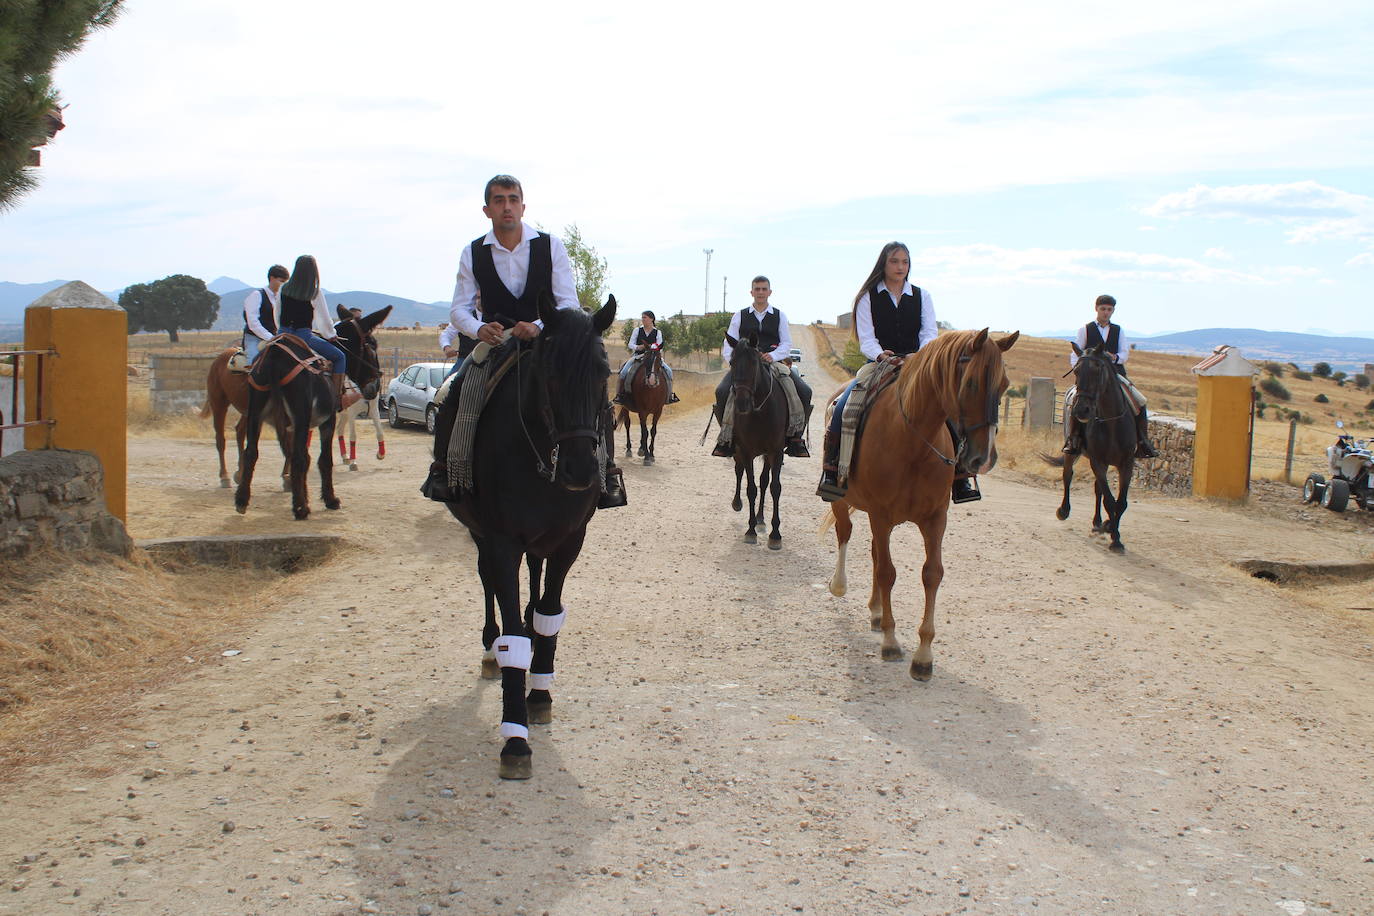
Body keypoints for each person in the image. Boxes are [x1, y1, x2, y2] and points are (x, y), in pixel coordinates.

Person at [424, 174, 625, 507]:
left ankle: (608, 472)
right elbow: (459, 309)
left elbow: (567, 302)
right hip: (495, 340)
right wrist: (478, 330)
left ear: (523, 206)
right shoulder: (472, 252)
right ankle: (446, 469)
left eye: (513, 199)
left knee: (592, 389)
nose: (507, 207)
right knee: (453, 389)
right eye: (499, 200)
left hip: (547, 338)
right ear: (487, 209)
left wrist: (537, 324)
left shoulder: (550, 245)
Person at [816, 242, 981, 504]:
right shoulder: (867, 297)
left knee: (949, 406)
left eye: (904, 262)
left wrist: (920, 356)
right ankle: (832, 470)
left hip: (918, 364)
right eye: (895, 261)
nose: (900, 267)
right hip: (879, 362)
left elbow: (929, 333)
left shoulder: (922, 296)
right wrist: (882, 354)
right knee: (844, 405)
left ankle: (961, 476)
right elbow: (866, 337)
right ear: (884, 263)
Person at [710, 276, 812, 458]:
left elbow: (786, 343)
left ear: (769, 292)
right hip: (745, 365)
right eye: (757, 289)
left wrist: (772, 356)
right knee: (722, 391)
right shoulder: (740, 315)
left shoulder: (779, 315)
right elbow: (729, 343)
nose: (760, 292)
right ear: (751, 292)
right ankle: (727, 438)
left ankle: (796, 437)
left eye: (764, 289)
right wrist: (735, 363)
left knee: (804, 391)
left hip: (772, 363)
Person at [1063, 294, 1157, 459]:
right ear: (1096, 309)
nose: (1106, 313)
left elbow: (1124, 353)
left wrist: (1115, 358)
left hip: (1115, 375)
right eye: (1103, 309)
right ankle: (1073, 439)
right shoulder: (1085, 329)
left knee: (1140, 401)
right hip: (1090, 377)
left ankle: (1142, 442)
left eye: (1109, 310)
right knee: (1075, 402)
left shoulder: (1118, 330)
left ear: (1113, 311)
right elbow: (1075, 354)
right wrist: (1081, 371)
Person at [278, 254, 348, 411]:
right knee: (340, 357)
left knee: (257, 358)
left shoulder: (284, 288)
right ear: (314, 271)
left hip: (282, 335)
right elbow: (323, 320)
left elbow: (277, 313)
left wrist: (281, 332)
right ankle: (336, 400)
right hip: (303, 336)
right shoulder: (315, 292)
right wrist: (330, 334)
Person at [615, 310, 679, 405]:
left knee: (669, 371)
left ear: (651, 319)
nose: (643, 320)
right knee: (624, 372)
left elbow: (660, 346)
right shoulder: (637, 330)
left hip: (653, 356)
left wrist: (653, 348)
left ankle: (669, 395)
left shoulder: (658, 332)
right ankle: (620, 395)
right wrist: (638, 347)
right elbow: (630, 344)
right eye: (642, 318)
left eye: (645, 317)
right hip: (638, 356)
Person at [242, 264, 288, 361]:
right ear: (272, 278)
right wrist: (270, 338)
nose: (284, 285)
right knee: (254, 362)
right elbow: (253, 322)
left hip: (275, 338)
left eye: (285, 282)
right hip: (254, 338)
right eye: (281, 281)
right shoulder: (257, 295)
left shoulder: (281, 298)